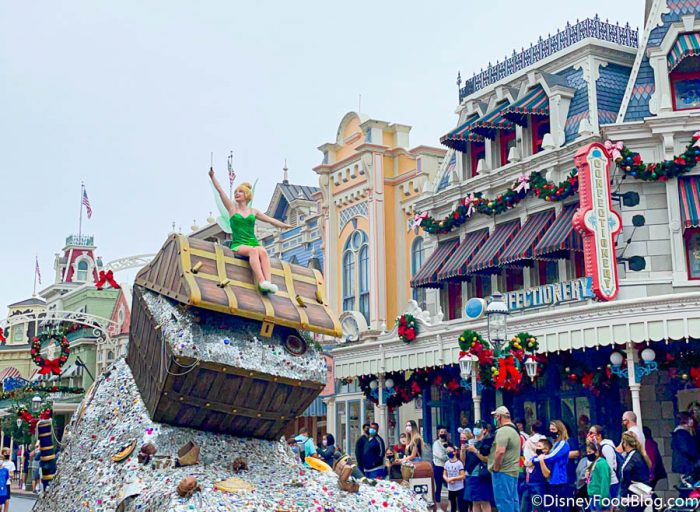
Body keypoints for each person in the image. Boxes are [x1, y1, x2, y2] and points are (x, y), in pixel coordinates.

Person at [208, 169, 292, 293]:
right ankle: (261, 281)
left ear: (247, 195)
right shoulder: (232, 209)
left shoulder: (253, 211)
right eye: (235, 192)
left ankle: (269, 283)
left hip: (253, 241)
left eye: (240, 191)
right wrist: (213, 177)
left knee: (263, 251)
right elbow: (220, 191)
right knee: (253, 251)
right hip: (239, 244)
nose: (236, 194)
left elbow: (270, 220)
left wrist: (284, 225)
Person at [532, 420, 570, 512]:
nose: (551, 431)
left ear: (560, 430)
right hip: (552, 480)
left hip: (560, 480)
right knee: (553, 507)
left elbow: (552, 456)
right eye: (550, 429)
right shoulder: (555, 444)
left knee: (560, 507)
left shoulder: (563, 443)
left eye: (553, 429)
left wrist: (536, 459)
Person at [488, 406, 520, 512]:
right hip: (513, 471)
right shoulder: (514, 430)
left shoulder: (503, 431)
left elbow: (500, 451)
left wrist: (496, 468)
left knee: (503, 502)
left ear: (498, 417)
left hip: (503, 471)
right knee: (513, 500)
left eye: (495, 417)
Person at [465, 422, 494, 512]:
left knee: (484, 501)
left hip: (481, 475)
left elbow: (487, 459)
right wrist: (462, 451)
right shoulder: (472, 442)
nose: (476, 429)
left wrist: (475, 451)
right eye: (475, 427)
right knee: (475, 502)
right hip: (471, 475)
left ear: (484, 430)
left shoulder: (487, 442)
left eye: (479, 427)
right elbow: (464, 460)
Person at [620, 431, 651, 512]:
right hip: (643, 492)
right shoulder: (640, 454)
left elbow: (625, 470)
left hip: (635, 494)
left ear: (625, 443)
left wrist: (629, 483)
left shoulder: (632, 455)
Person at [588, 424, 620, 499]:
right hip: (601, 484)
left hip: (610, 484)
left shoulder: (606, 448)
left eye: (591, 433)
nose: (589, 435)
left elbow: (609, 469)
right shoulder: (596, 448)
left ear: (599, 436)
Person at [524, 438, 551, 512]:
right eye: (536, 446)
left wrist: (541, 460)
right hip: (528, 485)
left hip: (538, 487)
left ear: (545, 449)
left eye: (539, 446)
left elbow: (546, 474)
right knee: (524, 508)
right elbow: (528, 464)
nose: (537, 448)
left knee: (537, 508)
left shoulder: (547, 459)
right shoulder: (534, 458)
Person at [585, 440, 611, 512]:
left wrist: (603, 498)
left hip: (599, 496)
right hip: (592, 495)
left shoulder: (602, 463)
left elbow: (605, 480)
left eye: (590, 452)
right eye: (587, 452)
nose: (588, 454)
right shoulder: (594, 463)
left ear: (596, 452)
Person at [672, 411, 699, 476]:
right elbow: (686, 449)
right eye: (689, 419)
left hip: (687, 464)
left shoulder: (684, 432)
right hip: (686, 465)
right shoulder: (681, 433)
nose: (692, 421)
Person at [443, 444, 467, 512]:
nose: (448, 453)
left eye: (450, 451)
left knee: (461, 506)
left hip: (459, 488)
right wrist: (447, 479)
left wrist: (453, 478)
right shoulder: (447, 463)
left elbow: (463, 476)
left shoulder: (459, 463)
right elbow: (444, 474)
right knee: (452, 506)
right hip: (451, 488)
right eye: (447, 451)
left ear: (455, 452)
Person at [433, 424, 449, 505]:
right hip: (438, 467)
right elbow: (441, 456)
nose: (443, 434)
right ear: (438, 433)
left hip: (447, 467)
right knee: (438, 487)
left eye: (445, 432)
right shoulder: (436, 443)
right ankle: (438, 506)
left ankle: (450, 505)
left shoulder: (448, 443)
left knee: (449, 486)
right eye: (441, 432)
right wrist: (449, 456)